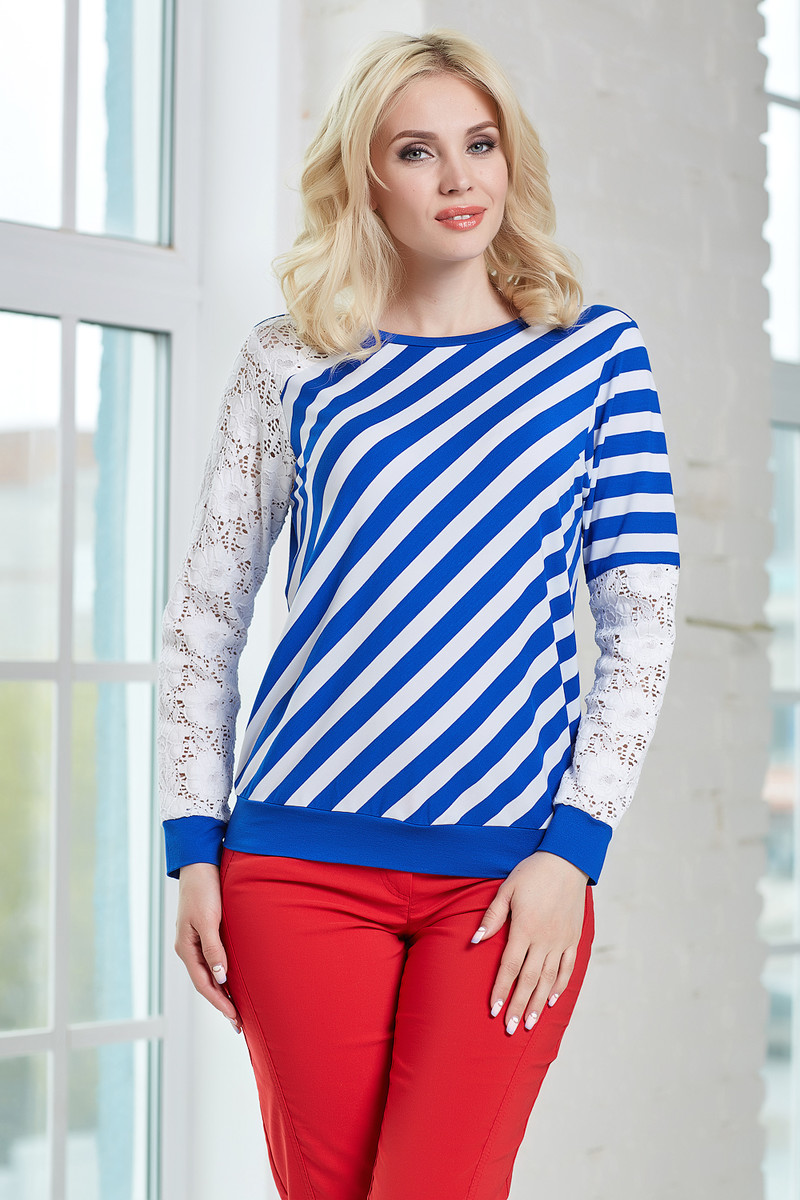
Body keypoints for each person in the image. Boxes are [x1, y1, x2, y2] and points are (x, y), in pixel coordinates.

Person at [158, 27, 679, 1200]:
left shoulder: (593, 357)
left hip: (506, 876)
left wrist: (574, 850)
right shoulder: (289, 362)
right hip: (293, 860)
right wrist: (193, 847)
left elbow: (639, 624)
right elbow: (206, 615)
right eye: (416, 150)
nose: (457, 178)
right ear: (364, 176)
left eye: (478, 144)